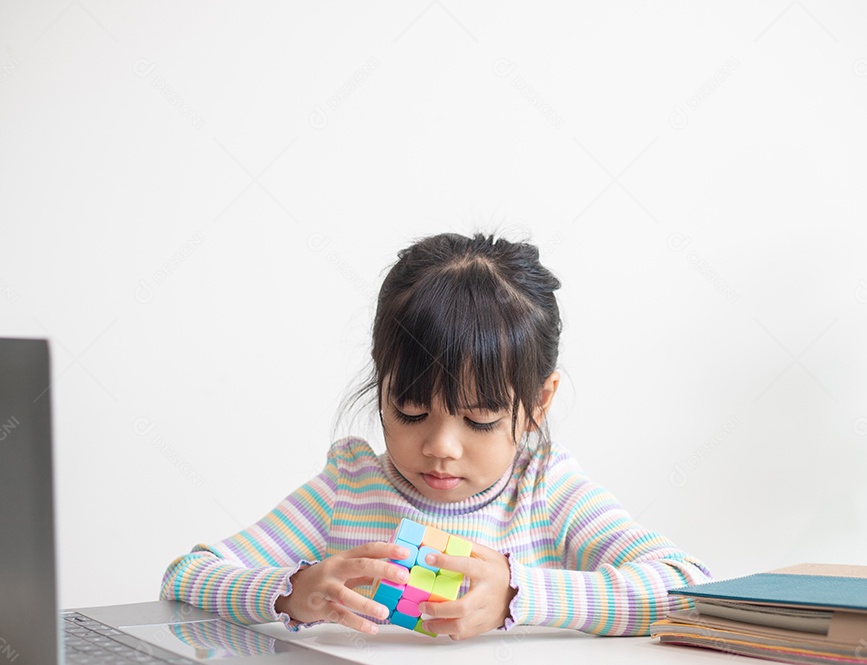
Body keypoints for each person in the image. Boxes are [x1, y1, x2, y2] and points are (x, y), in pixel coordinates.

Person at [161, 232, 711, 639]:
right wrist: (290, 593)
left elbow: (688, 589)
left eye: (480, 420)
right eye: (410, 410)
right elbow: (187, 577)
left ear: (539, 403)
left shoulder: (545, 491)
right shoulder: (349, 489)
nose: (441, 447)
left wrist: (520, 594)